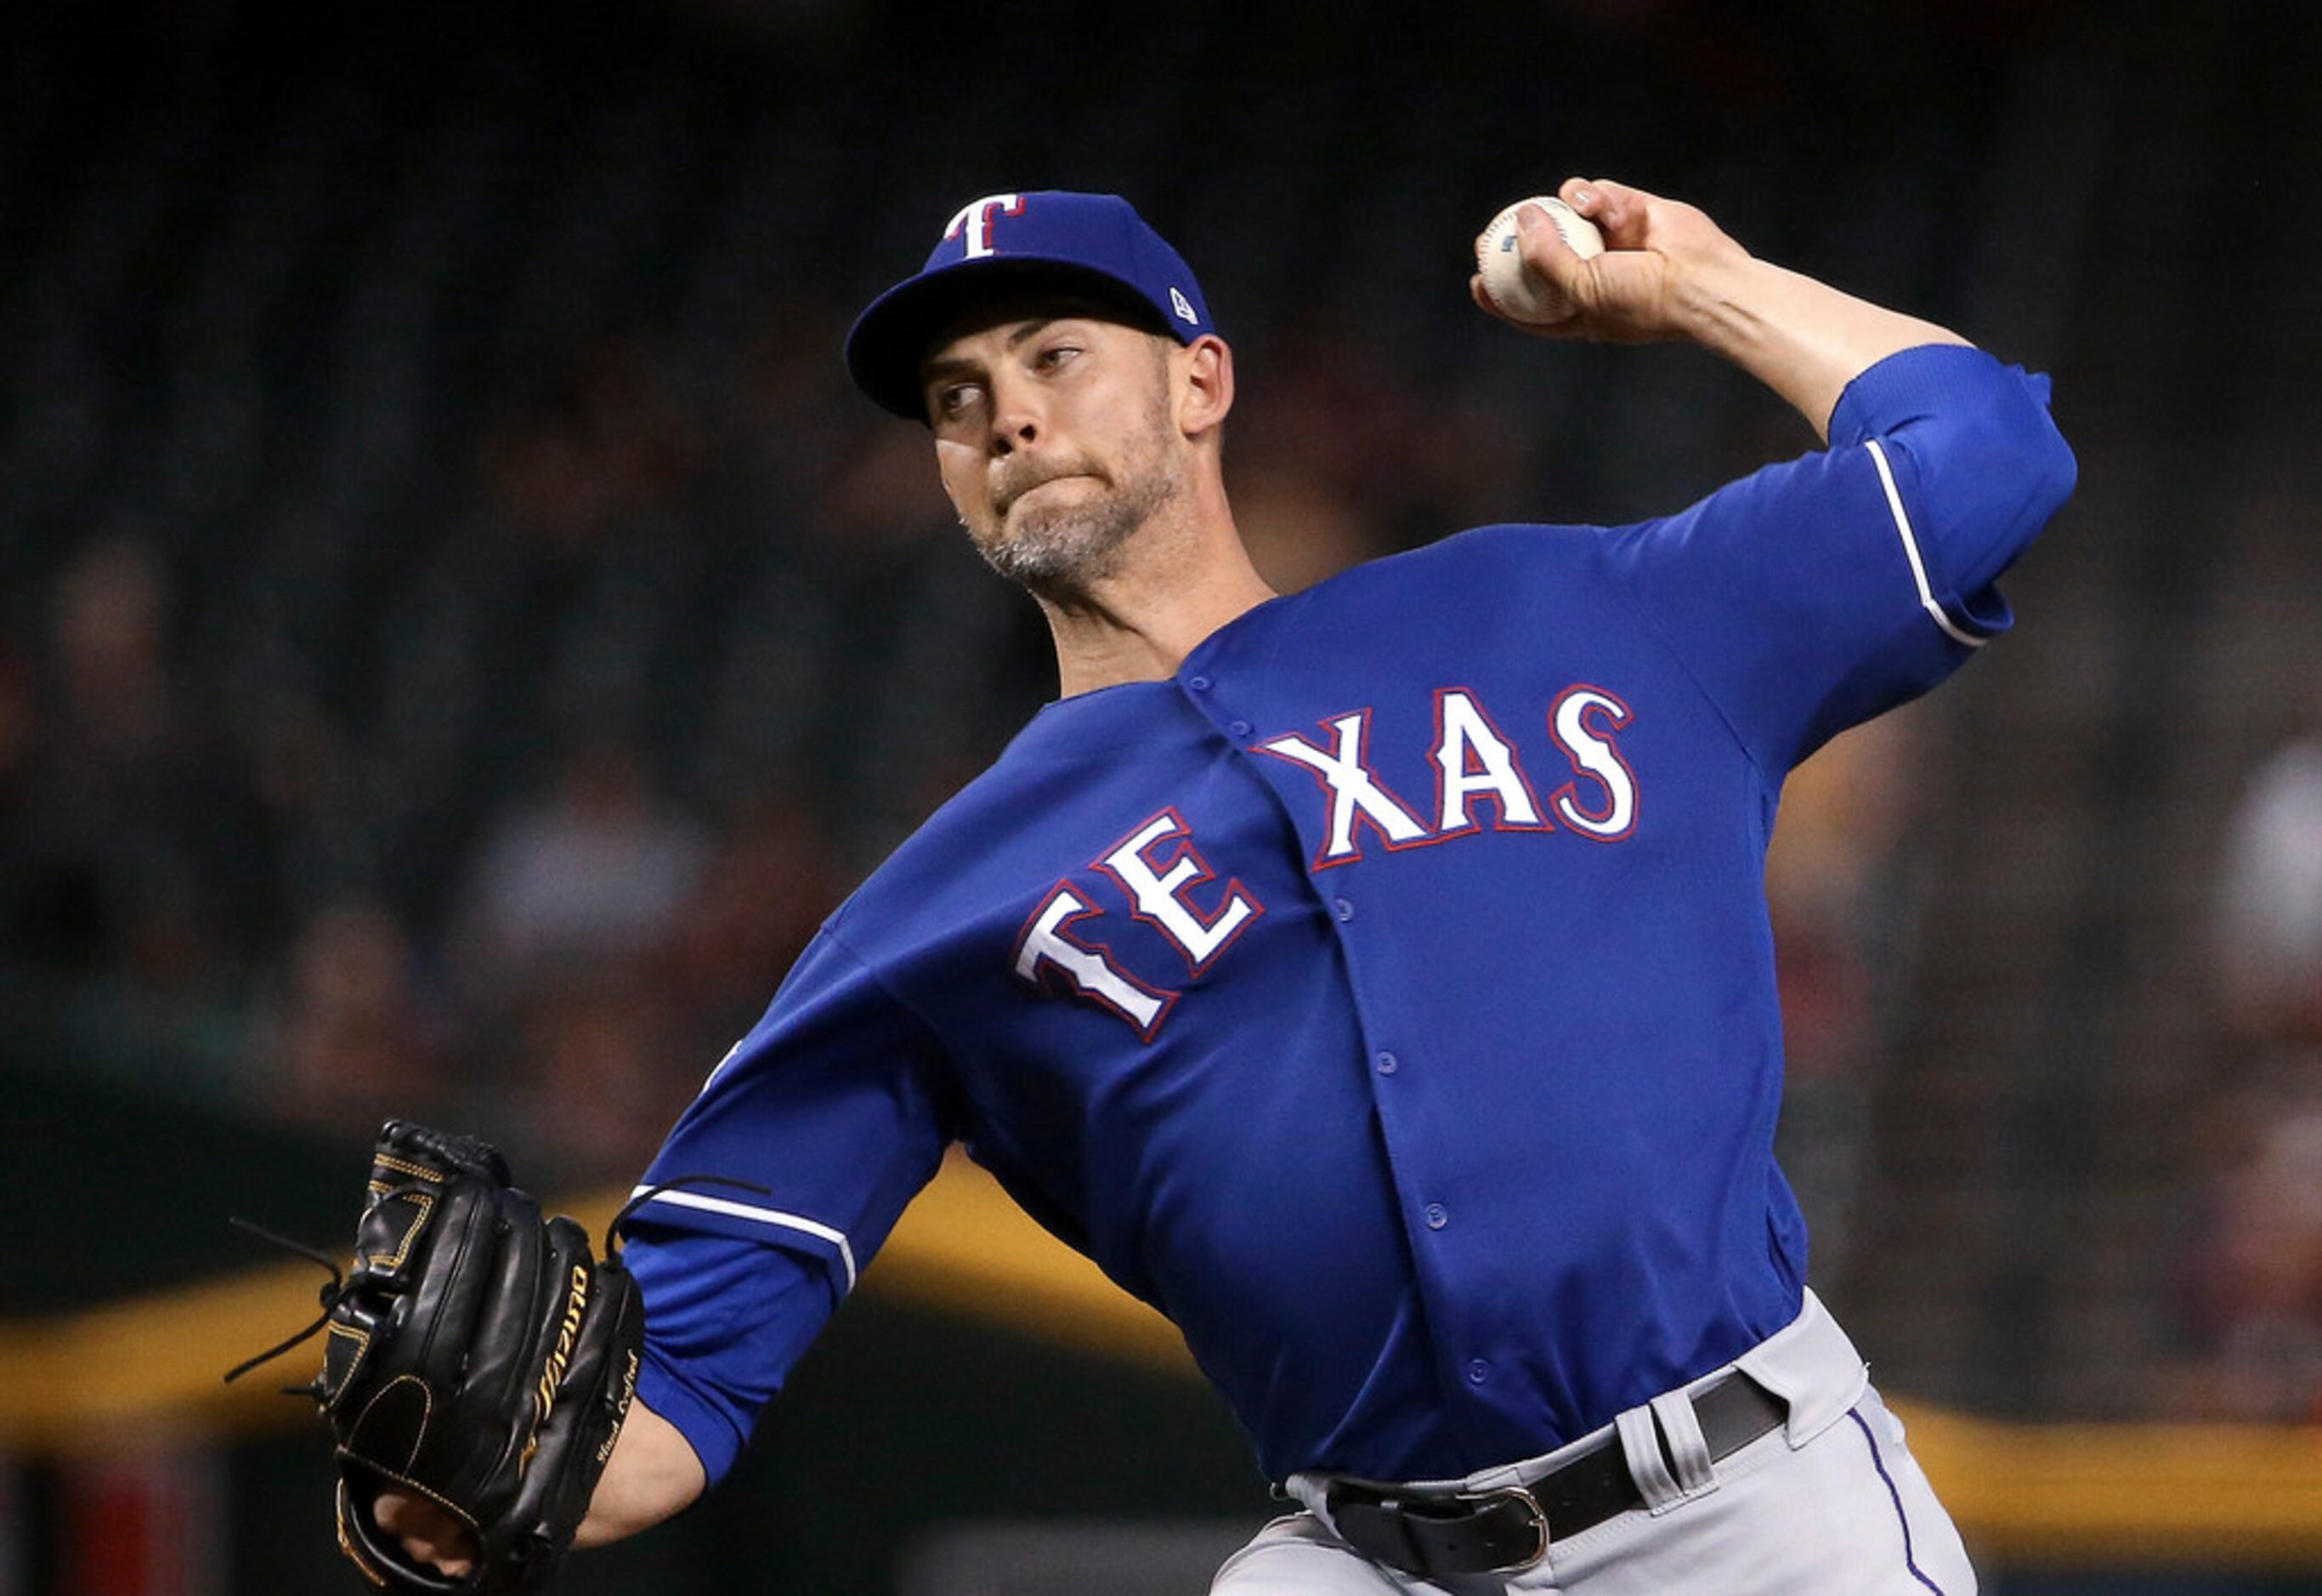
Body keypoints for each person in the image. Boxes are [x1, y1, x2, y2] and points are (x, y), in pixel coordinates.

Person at [380, 179, 2075, 1591]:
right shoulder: (926, 915)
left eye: (1054, 353)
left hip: (1747, 1513)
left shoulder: (1579, 614)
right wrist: (466, 1480)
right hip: (1367, 1562)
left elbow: (1986, 450)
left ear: (1203, 382)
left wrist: (1705, 287)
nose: (1005, 413)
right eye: (955, 400)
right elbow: (661, 1399)